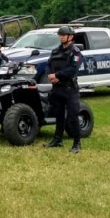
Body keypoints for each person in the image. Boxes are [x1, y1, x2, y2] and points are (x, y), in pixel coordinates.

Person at [43, 26, 84, 154]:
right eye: (60, 34)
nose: (61, 36)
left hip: (69, 88)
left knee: (72, 116)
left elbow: (73, 69)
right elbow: (48, 65)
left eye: (63, 34)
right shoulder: (55, 51)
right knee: (58, 116)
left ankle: (77, 143)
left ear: (70, 37)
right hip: (57, 88)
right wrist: (51, 76)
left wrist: (57, 76)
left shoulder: (75, 52)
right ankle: (57, 140)